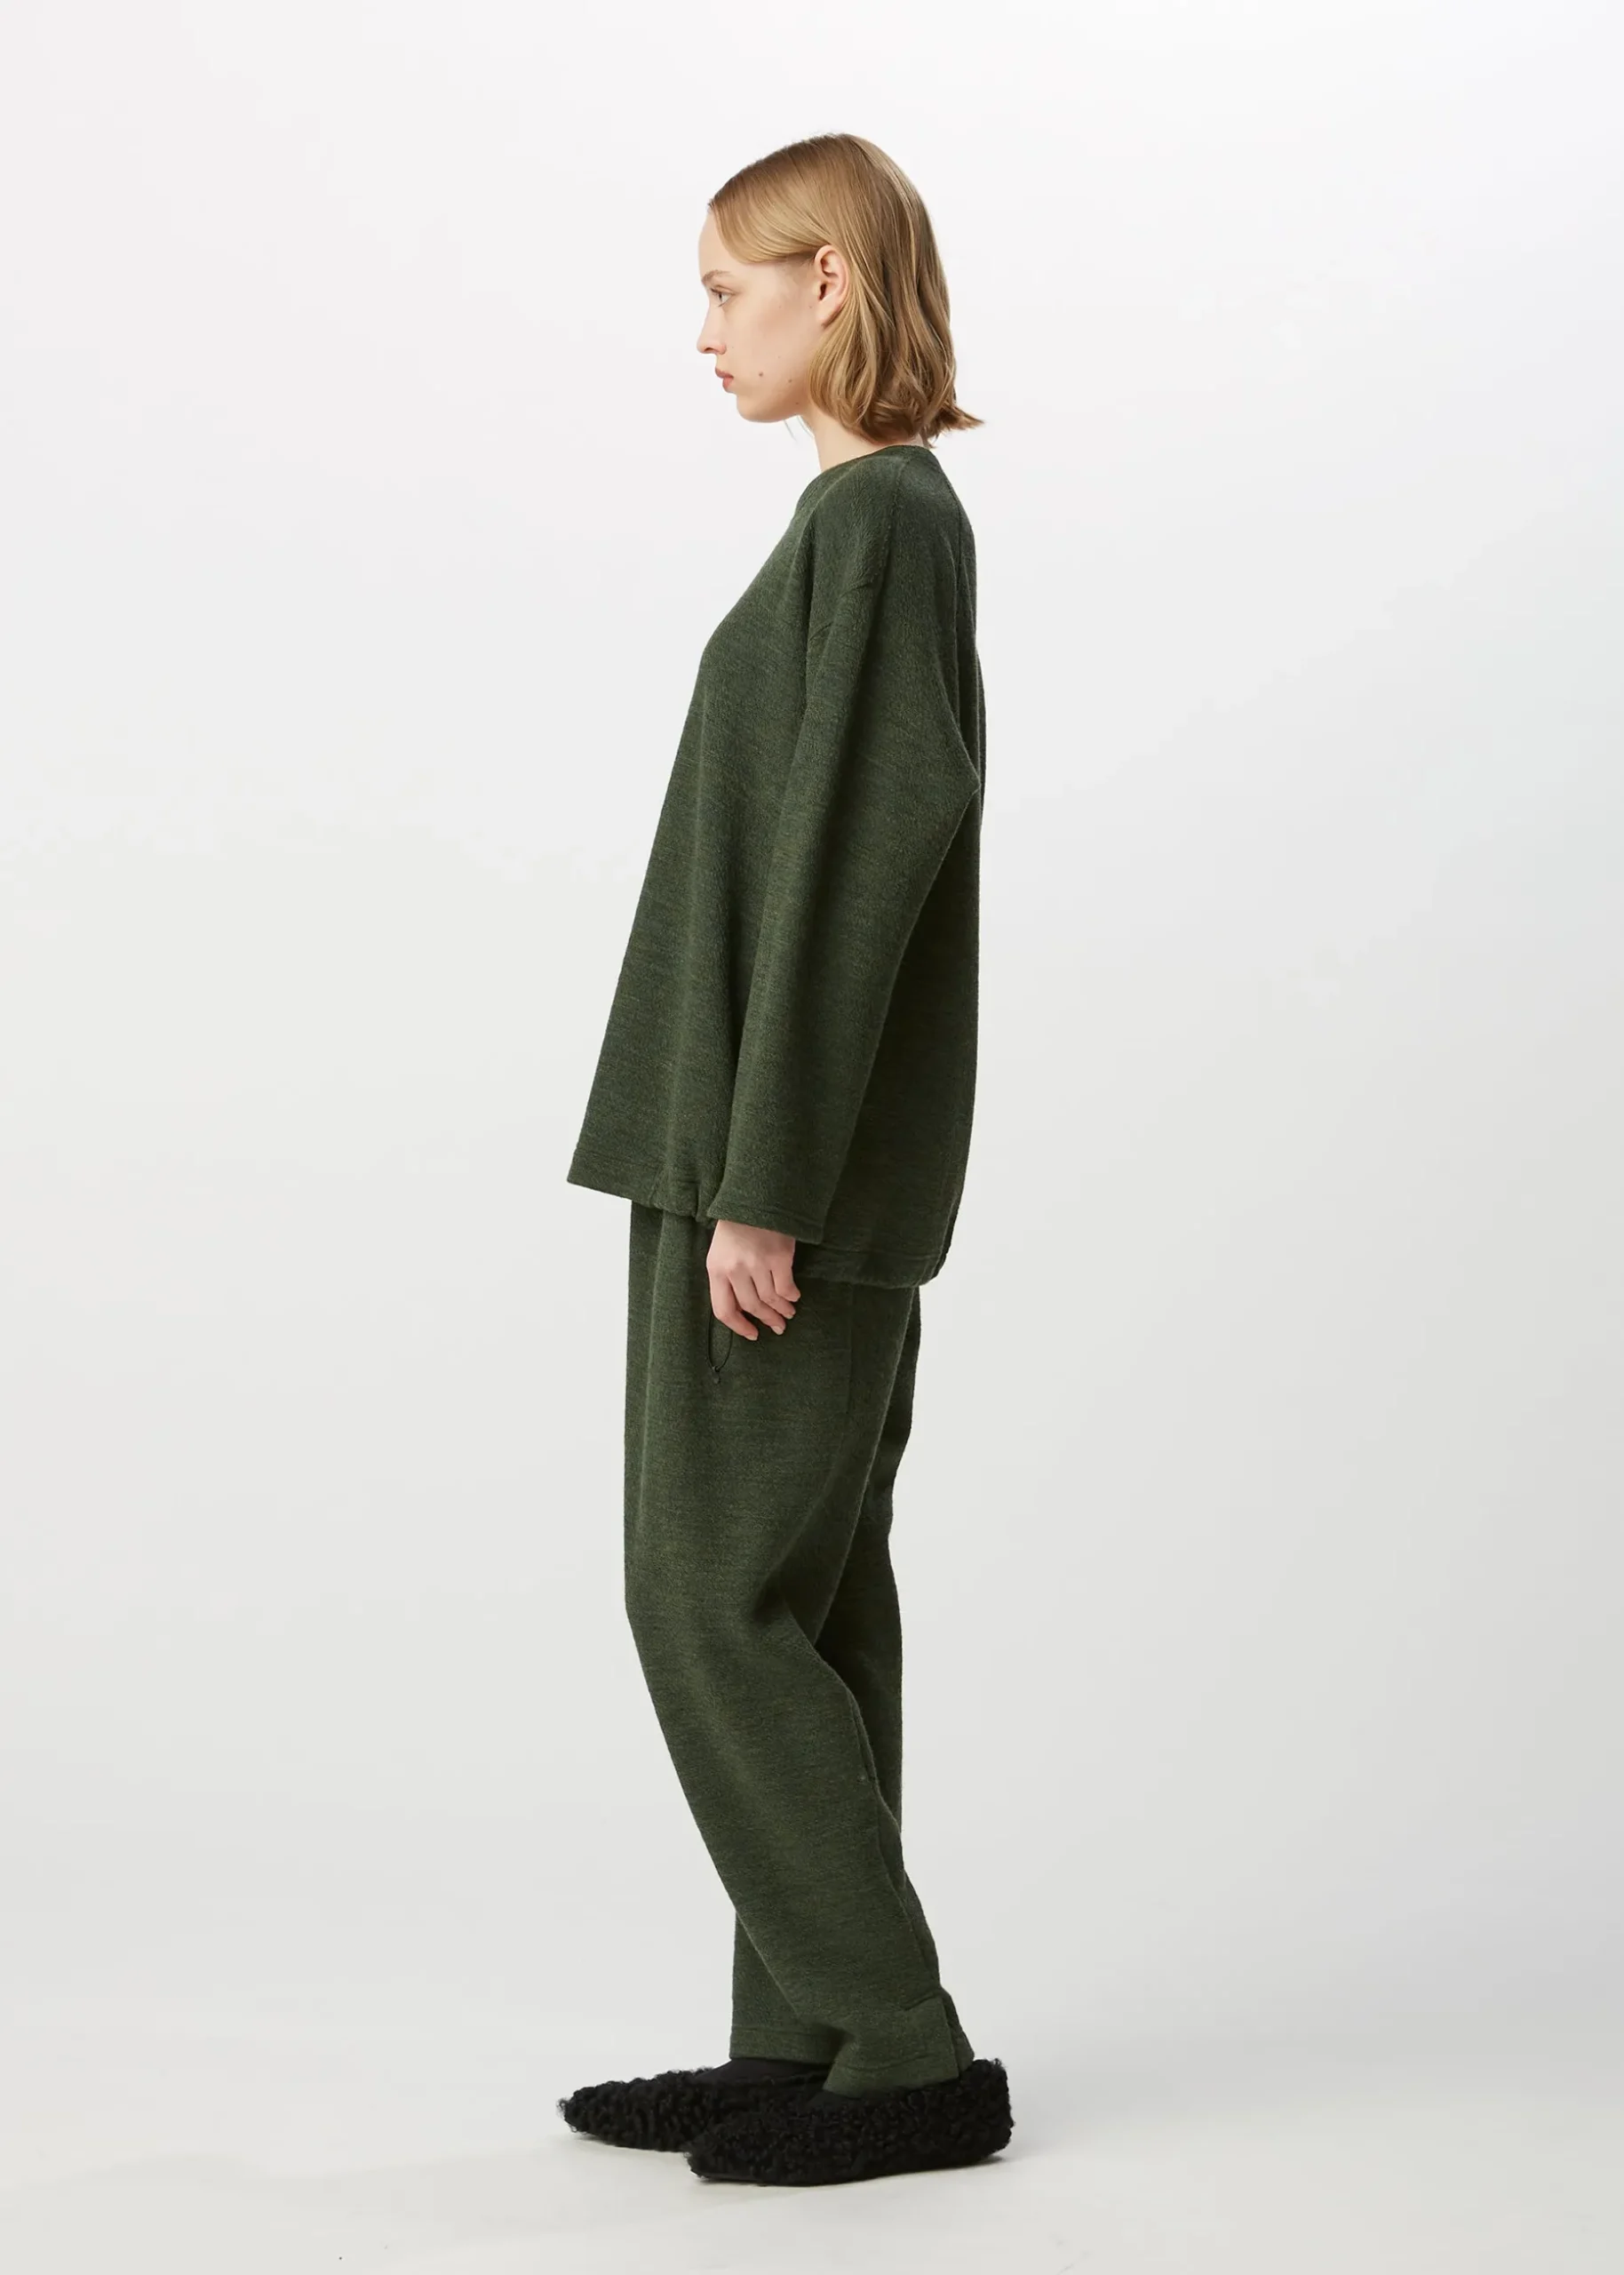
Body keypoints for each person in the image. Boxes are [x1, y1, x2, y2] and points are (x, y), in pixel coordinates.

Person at [558, 132, 1012, 2188]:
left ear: (830, 280)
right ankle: (808, 2035)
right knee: (802, 1608)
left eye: (729, 288)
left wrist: (768, 1181)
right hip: (743, 1147)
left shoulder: (885, 523)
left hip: (773, 1175)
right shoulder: (853, 525)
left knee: (706, 1595)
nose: (704, 330)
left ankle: (904, 2048)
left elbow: (850, 866)